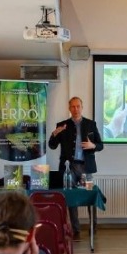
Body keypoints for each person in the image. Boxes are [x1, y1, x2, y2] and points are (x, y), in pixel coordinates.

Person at [48, 97, 104, 239]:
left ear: (82, 107)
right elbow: (52, 145)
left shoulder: (91, 124)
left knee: (90, 195)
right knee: (71, 198)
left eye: (78, 106)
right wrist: (54, 133)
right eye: (73, 106)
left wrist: (93, 146)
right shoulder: (62, 125)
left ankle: (93, 226)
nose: (75, 109)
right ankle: (76, 229)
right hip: (69, 168)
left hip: (87, 167)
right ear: (69, 108)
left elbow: (100, 145)